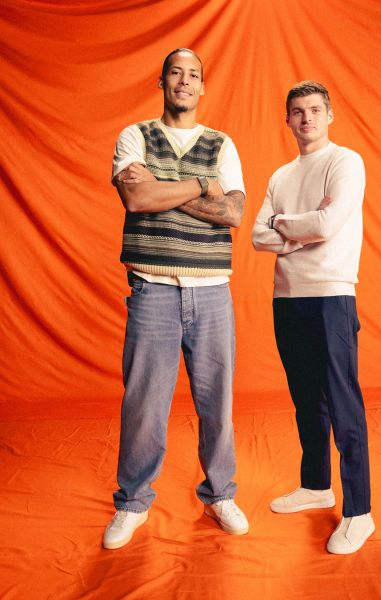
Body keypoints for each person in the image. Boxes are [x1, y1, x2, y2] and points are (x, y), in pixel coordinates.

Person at [103, 48, 248, 550]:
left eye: (193, 75)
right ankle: (133, 502)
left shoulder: (221, 144)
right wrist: (204, 186)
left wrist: (164, 187)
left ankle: (220, 494)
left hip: (212, 294)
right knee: (144, 404)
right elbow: (136, 198)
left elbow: (233, 213)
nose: (184, 81)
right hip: (153, 290)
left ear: (202, 87)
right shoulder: (135, 136)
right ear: (161, 81)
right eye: (176, 73)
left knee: (218, 402)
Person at [252, 81, 374, 554]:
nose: (307, 118)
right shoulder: (280, 176)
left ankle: (360, 512)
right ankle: (316, 485)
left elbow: (328, 224)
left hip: (331, 295)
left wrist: (283, 225)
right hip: (287, 298)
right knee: (306, 399)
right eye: (298, 111)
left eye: (315, 110)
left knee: (343, 403)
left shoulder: (346, 162)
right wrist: (299, 226)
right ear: (287, 120)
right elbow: (258, 236)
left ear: (329, 115)